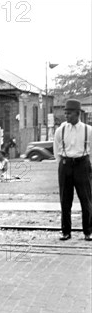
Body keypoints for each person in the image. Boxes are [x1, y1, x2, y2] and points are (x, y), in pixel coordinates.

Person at [53, 99, 92, 241]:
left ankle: (88, 231)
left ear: (77, 113)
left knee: (86, 199)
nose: (66, 116)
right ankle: (66, 232)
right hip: (66, 164)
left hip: (82, 164)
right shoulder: (60, 130)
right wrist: (62, 164)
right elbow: (56, 149)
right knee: (65, 199)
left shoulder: (88, 130)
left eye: (69, 113)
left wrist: (88, 166)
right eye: (65, 113)